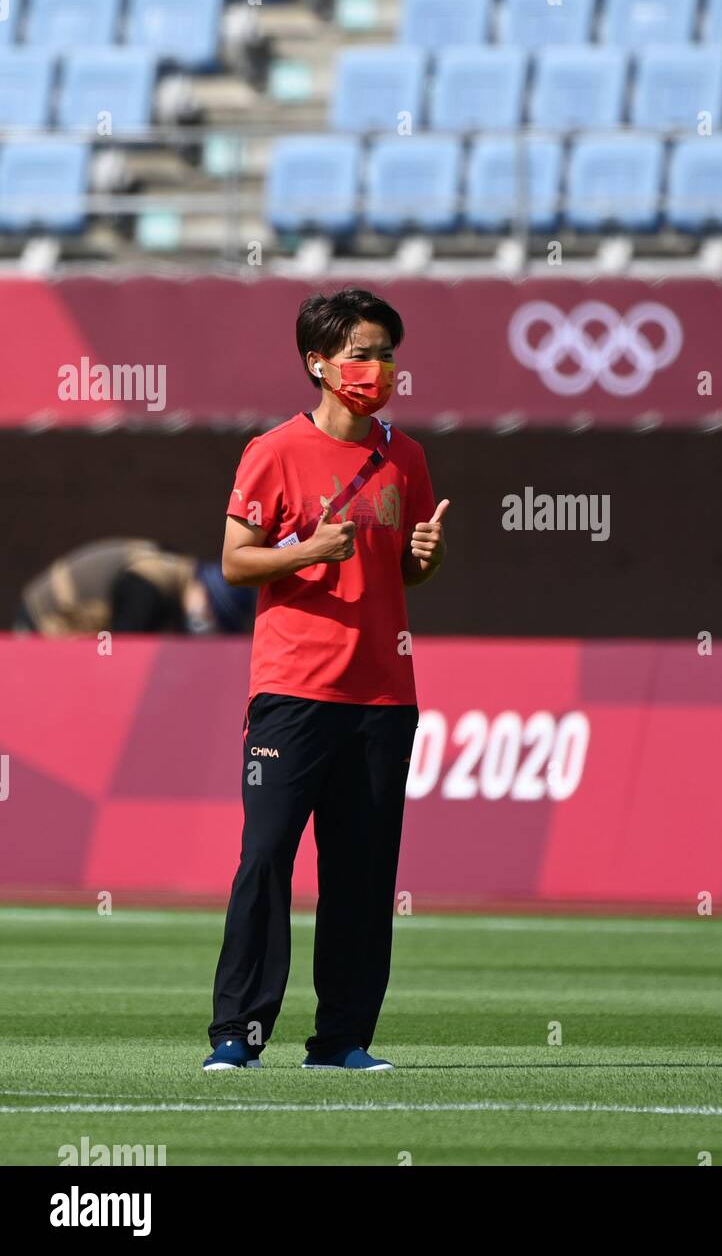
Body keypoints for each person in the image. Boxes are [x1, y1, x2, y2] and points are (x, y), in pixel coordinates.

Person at [204, 287, 447, 1073]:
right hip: (293, 692)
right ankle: (237, 1034)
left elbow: (402, 571)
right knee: (266, 856)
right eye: (361, 353)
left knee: (363, 874)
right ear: (319, 363)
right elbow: (237, 563)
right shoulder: (272, 450)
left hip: (383, 695)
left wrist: (426, 559)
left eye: (385, 353)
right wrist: (307, 552)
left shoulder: (403, 454)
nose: (377, 367)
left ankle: (342, 1038)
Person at [14, 539, 254, 636]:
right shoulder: (154, 580)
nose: (206, 620)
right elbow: (124, 653)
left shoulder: (170, 571)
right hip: (42, 625)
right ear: (201, 589)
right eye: (212, 609)